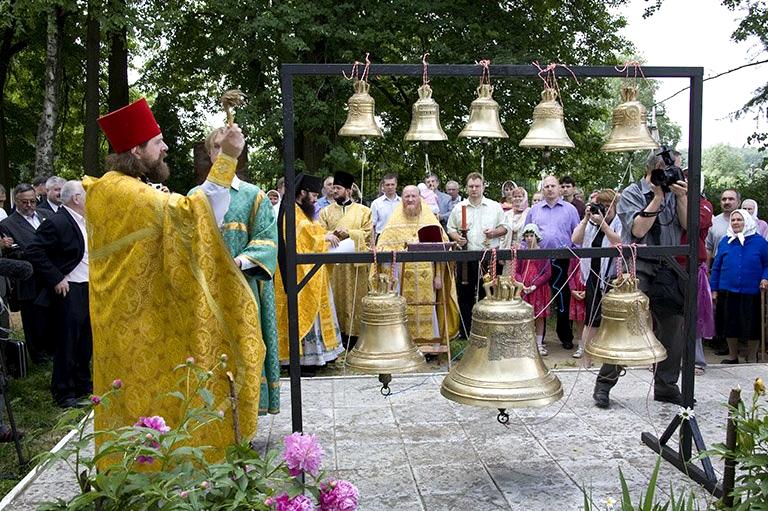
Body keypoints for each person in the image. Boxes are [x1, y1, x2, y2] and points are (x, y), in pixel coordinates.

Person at [85, 98, 265, 457]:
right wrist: (228, 157)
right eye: (158, 142)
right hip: (139, 322)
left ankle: (133, 474)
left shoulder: (109, 188)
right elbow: (193, 215)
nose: (165, 148)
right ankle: (154, 480)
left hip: (123, 319)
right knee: (145, 399)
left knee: (132, 403)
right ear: (136, 150)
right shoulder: (126, 192)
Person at [593, 150, 688, 408]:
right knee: (626, 326)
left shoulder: (678, 193)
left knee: (673, 326)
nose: (675, 174)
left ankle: (666, 386)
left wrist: (681, 198)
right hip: (637, 266)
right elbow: (637, 230)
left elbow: (687, 225)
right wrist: (657, 198)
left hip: (668, 266)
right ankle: (604, 384)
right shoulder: (632, 193)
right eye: (672, 169)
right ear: (655, 169)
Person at [197, 127, 280, 415]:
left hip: (246, 289)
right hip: (206, 290)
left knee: (245, 349)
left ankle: (246, 415)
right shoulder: (196, 197)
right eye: (216, 147)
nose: (221, 153)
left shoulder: (253, 196)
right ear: (210, 153)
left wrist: (240, 262)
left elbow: (268, 241)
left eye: (226, 147)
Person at [25, 181, 92, 408]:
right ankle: (64, 393)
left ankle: (84, 385)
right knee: (67, 342)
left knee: (85, 340)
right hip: (69, 288)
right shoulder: (58, 221)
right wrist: (55, 277)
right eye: (86, 194)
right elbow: (33, 250)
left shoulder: (83, 221)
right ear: (76, 198)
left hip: (87, 286)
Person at [275, 173, 343, 372]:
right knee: (303, 312)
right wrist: (325, 239)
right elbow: (303, 237)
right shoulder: (291, 210)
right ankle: (304, 360)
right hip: (298, 274)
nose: (315, 199)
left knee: (318, 312)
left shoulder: (301, 210)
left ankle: (322, 355)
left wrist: (329, 235)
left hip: (311, 271)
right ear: (302, 192)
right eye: (313, 195)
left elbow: (313, 230)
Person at [375, 185, 460, 344]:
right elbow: (382, 247)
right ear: (402, 199)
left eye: (413, 196)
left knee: (427, 308)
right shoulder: (394, 221)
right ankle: (403, 343)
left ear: (419, 198)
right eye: (407, 196)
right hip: (402, 278)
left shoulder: (429, 219)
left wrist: (439, 276)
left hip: (427, 278)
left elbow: (443, 249)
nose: (410, 200)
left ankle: (429, 342)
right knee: (404, 310)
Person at [447, 172, 507, 334]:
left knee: (488, 292)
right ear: (466, 188)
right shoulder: (459, 208)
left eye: (477, 186)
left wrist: (493, 233)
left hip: (488, 257)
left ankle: (488, 328)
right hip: (466, 257)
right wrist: (457, 237)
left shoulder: (495, 206)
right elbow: (450, 228)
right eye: (471, 186)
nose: (474, 189)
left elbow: (505, 227)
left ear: (483, 186)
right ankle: (466, 330)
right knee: (465, 294)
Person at [525, 175, 580, 350]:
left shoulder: (570, 209)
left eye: (553, 186)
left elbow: (577, 236)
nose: (550, 189)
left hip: (562, 259)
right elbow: (526, 236)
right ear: (542, 188)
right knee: (536, 297)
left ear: (559, 188)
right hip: (538, 261)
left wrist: (576, 260)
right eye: (546, 186)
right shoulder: (534, 210)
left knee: (562, 298)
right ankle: (535, 338)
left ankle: (565, 335)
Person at [318, 171, 372, 345]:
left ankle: (356, 337)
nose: (334, 191)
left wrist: (350, 233)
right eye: (333, 188)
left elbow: (369, 235)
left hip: (355, 268)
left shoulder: (364, 211)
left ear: (348, 191)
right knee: (335, 299)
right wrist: (330, 234)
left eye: (338, 188)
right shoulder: (325, 212)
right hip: (333, 266)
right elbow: (318, 232)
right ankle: (336, 338)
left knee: (356, 299)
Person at [0, 183, 51, 362]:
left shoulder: (47, 215)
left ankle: (52, 349)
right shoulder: (7, 225)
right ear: (16, 202)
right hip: (29, 279)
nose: (29, 205)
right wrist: (38, 252)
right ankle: (37, 355)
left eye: (32, 201)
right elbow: (13, 254)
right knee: (33, 319)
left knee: (51, 316)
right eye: (24, 202)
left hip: (52, 275)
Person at [710, 209, 768, 364]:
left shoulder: (760, 242)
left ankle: (751, 356)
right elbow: (716, 267)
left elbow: (767, 265)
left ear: (747, 221)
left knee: (752, 326)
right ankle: (733, 356)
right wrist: (714, 289)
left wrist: (765, 278)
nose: (735, 223)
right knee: (730, 324)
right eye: (733, 220)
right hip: (728, 290)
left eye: (739, 220)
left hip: (752, 291)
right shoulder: (725, 241)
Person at [571, 189, 622, 360]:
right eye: (603, 206)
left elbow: (618, 240)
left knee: (612, 318)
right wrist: (586, 218)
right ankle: (587, 357)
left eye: (609, 207)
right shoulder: (590, 224)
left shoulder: (619, 222)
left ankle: (611, 355)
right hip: (593, 276)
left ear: (615, 207)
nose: (606, 211)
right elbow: (575, 240)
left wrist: (604, 224)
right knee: (592, 317)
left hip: (612, 278)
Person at [706, 188, 740, 354]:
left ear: (738, 201)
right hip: (719, 270)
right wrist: (706, 271)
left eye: (731, 199)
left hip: (742, 272)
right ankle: (722, 343)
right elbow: (709, 249)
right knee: (721, 310)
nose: (727, 202)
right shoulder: (714, 222)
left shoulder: (746, 222)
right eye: (724, 199)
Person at [515, 224, 551, 355]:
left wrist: (535, 285)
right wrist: (522, 284)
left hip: (539, 289)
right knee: (525, 316)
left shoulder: (542, 253)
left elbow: (547, 273)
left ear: (537, 237)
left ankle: (539, 343)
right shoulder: (522, 253)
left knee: (539, 316)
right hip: (524, 289)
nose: (529, 239)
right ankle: (525, 342)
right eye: (527, 236)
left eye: (532, 236)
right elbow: (517, 271)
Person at [370, 173, 400, 238]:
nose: (390, 187)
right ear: (383, 186)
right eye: (387, 185)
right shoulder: (376, 203)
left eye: (392, 184)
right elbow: (371, 226)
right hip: (381, 237)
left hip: (399, 237)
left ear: (396, 185)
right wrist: (372, 245)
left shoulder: (402, 202)